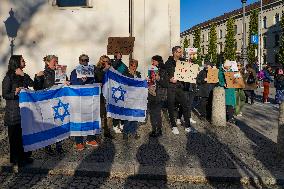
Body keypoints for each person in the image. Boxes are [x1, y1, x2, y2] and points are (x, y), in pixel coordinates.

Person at [2, 55, 34, 166]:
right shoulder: (8, 77)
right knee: (15, 137)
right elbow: (5, 94)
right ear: (16, 62)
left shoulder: (24, 75)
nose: (25, 62)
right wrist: (15, 92)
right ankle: (16, 159)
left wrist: (24, 75)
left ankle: (25, 156)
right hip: (13, 112)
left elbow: (33, 85)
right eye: (22, 60)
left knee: (24, 135)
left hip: (25, 111)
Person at [34, 55, 66, 154]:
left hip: (58, 102)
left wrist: (66, 81)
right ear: (48, 62)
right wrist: (38, 78)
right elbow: (37, 88)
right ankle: (48, 146)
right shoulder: (43, 73)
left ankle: (59, 145)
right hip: (46, 103)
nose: (56, 63)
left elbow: (64, 84)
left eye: (57, 61)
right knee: (48, 124)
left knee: (59, 122)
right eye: (54, 61)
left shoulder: (60, 72)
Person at [70, 54, 100, 151]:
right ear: (79, 61)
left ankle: (90, 138)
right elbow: (73, 83)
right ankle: (78, 141)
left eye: (86, 60)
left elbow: (94, 82)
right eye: (82, 60)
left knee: (90, 117)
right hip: (78, 100)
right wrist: (82, 81)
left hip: (89, 100)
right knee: (78, 119)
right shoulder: (74, 71)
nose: (84, 62)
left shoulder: (92, 70)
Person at [165, 46, 196, 135]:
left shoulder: (183, 62)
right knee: (170, 106)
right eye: (179, 52)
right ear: (174, 52)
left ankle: (187, 126)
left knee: (185, 106)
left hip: (180, 87)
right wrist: (169, 79)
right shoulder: (168, 63)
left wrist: (191, 66)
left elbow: (189, 72)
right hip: (171, 87)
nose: (180, 54)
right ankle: (174, 126)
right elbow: (164, 75)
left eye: (181, 52)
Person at [148, 55, 169, 137]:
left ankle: (159, 130)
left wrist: (159, 79)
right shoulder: (151, 69)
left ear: (158, 61)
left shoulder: (164, 70)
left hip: (159, 95)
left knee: (157, 112)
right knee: (152, 112)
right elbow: (151, 82)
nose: (152, 63)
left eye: (153, 61)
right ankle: (154, 129)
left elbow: (166, 84)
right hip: (151, 93)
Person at [94, 55, 114, 139]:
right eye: (104, 61)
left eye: (108, 62)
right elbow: (98, 78)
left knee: (109, 114)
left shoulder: (111, 70)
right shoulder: (97, 69)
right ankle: (98, 133)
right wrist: (105, 69)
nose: (106, 63)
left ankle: (107, 131)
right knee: (101, 114)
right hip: (101, 95)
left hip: (110, 94)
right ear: (101, 62)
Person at [122, 59, 142, 139]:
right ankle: (126, 132)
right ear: (129, 66)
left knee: (135, 116)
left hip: (136, 98)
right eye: (132, 66)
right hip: (128, 98)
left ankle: (133, 132)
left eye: (135, 66)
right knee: (128, 116)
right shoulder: (125, 74)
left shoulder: (138, 74)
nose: (133, 67)